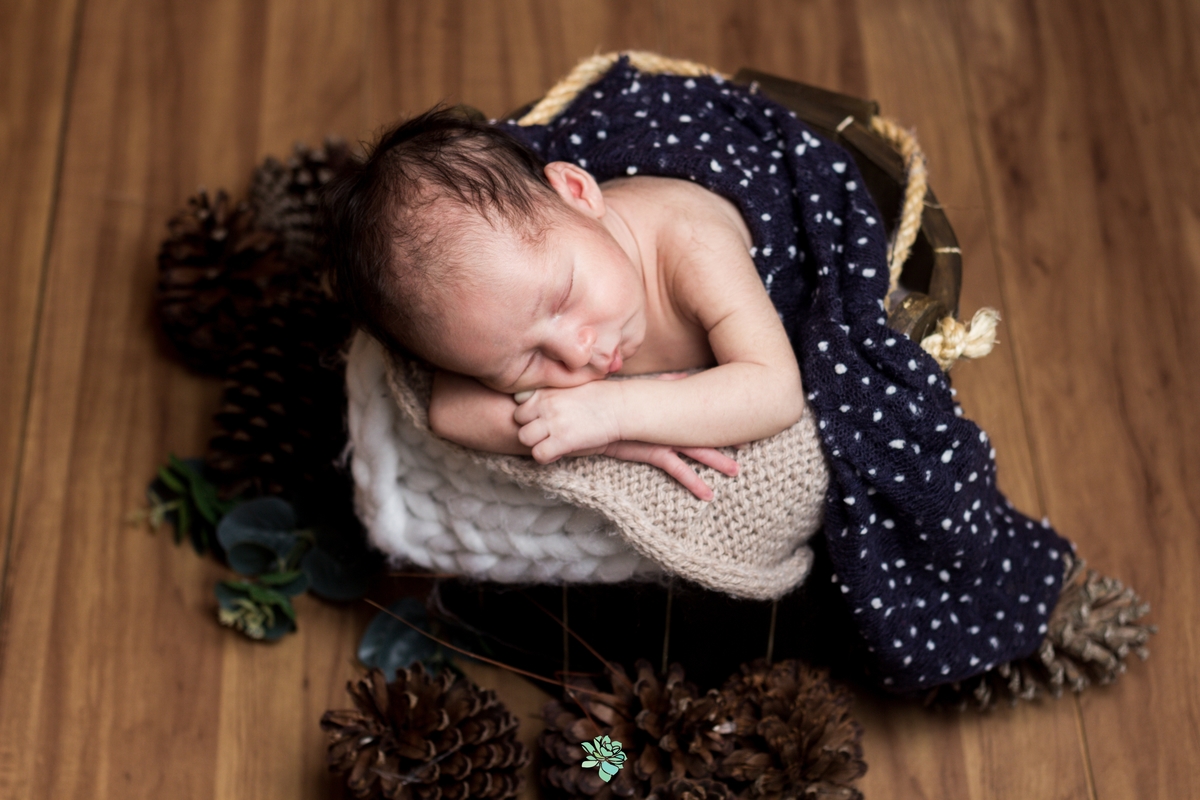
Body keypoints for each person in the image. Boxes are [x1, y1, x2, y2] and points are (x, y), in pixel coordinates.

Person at [325, 108, 805, 500]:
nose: (575, 355)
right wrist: (605, 440)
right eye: (524, 361)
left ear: (577, 194)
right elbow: (450, 412)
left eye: (563, 299)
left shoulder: (691, 243)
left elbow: (776, 390)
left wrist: (615, 413)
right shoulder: (485, 321)